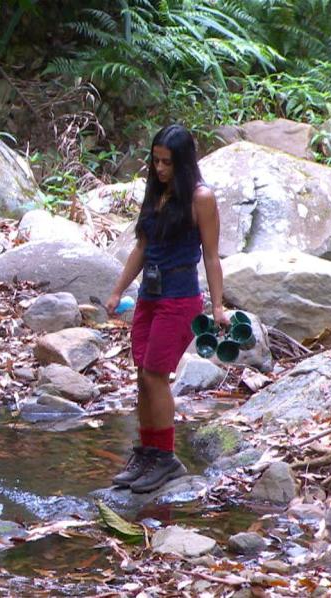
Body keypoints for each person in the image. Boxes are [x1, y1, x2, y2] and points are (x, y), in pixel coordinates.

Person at [104, 124, 226, 493]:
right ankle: (147, 452)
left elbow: (210, 254)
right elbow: (141, 248)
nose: (159, 169)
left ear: (184, 162)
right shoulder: (155, 192)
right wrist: (117, 291)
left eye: (167, 163)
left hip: (179, 297)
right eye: (155, 161)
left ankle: (166, 458)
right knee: (143, 374)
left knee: (157, 375)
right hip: (150, 296)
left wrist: (217, 306)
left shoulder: (200, 198)